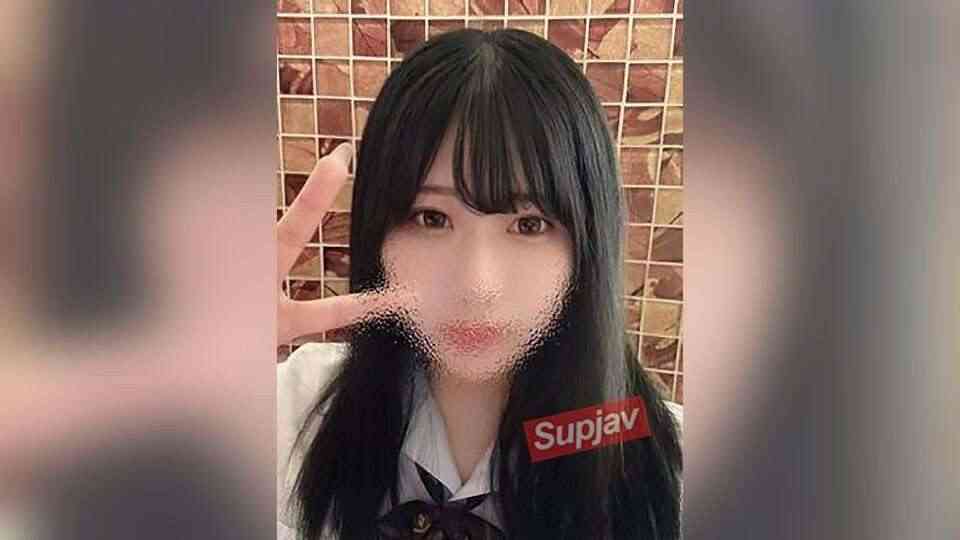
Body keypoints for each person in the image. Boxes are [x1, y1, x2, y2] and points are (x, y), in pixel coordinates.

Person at [276, 28, 682, 539]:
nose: (477, 286)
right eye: (431, 218)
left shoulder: (671, 464)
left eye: (529, 224)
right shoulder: (292, 411)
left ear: (588, 244)